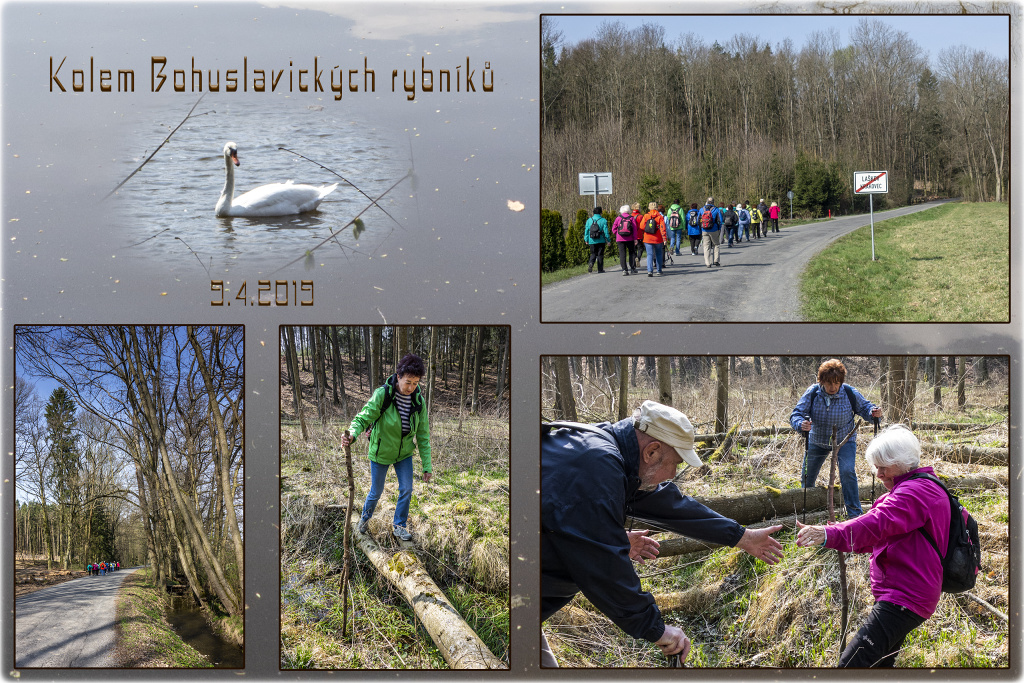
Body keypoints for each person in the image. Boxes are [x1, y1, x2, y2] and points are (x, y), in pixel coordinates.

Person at [541, 401, 784, 667]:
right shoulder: (596, 467)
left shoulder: (608, 454)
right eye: (675, 463)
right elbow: (604, 568)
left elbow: (670, 505)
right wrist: (656, 629)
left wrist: (741, 536)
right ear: (652, 451)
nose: (674, 474)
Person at [796, 425, 959, 667]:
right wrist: (834, 535)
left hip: (906, 596)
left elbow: (877, 523)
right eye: (876, 467)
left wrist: (828, 533)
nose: (879, 474)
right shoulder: (913, 488)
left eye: (884, 467)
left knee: (851, 666)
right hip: (902, 594)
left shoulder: (915, 492)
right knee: (879, 666)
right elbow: (878, 537)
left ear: (904, 463)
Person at [342, 353, 433, 542]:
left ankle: (399, 526)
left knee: (407, 489)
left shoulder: (418, 401)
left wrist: (427, 466)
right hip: (381, 452)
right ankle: (364, 520)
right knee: (376, 491)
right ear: (398, 376)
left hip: (404, 454)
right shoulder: (383, 394)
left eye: (416, 383)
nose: (411, 387)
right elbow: (363, 418)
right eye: (408, 382)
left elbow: (423, 436)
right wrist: (351, 434)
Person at [790, 359, 882, 518]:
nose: (832, 387)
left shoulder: (849, 392)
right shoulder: (813, 393)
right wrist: (801, 424)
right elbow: (796, 414)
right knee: (807, 476)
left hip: (844, 440)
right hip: (817, 441)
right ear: (822, 381)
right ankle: (809, 511)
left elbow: (866, 408)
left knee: (847, 472)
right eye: (828, 383)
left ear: (841, 382)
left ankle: (854, 514)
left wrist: (874, 413)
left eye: (836, 383)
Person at [638, 202, 667, 277]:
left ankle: (650, 271)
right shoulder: (660, 217)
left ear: (649, 208)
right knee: (658, 254)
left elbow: (641, 226)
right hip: (658, 238)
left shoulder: (646, 216)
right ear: (657, 208)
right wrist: (664, 238)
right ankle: (659, 270)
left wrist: (648, 229)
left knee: (649, 254)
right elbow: (663, 228)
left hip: (648, 238)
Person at [612, 204, 638, 276]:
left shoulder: (618, 218)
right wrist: (635, 238)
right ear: (628, 210)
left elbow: (613, 229)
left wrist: (617, 234)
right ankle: (632, 268)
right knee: (631, 253)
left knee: (622, 254)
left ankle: (624, 269)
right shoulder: (631, 218)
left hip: (620, 239)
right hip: (630, 238)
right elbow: (635, 229)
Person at [583, 206, 610, 274]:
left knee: (593, 253)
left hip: (592, 240)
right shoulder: (603, 220)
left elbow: (586, 230)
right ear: (601, 212)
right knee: (600, 254)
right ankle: (600, 269)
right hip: (601, 240)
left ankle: (591, 263)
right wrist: (608, 240)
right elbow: (606, 232)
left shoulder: (589, 220)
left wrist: (586, 239)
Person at [696, 197, 722, 268]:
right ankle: (716, 260)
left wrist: (700, 229)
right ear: (713, 202)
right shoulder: (716, 209)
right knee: (716, 245)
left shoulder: (702, 209)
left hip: (704, 230)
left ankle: (708, 263)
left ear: (707, 202)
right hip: (714, 230)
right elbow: (720, 220)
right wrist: (719, 229)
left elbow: (698, 220)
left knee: (706, 246)